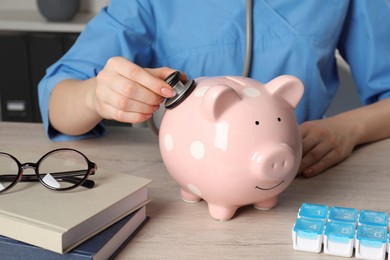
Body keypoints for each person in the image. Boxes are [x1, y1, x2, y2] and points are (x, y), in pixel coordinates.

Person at [38, 0, 390, 178]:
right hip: (182, 182)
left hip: (301, 178)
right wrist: (95, 95)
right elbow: (59, 105)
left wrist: (349, 128)